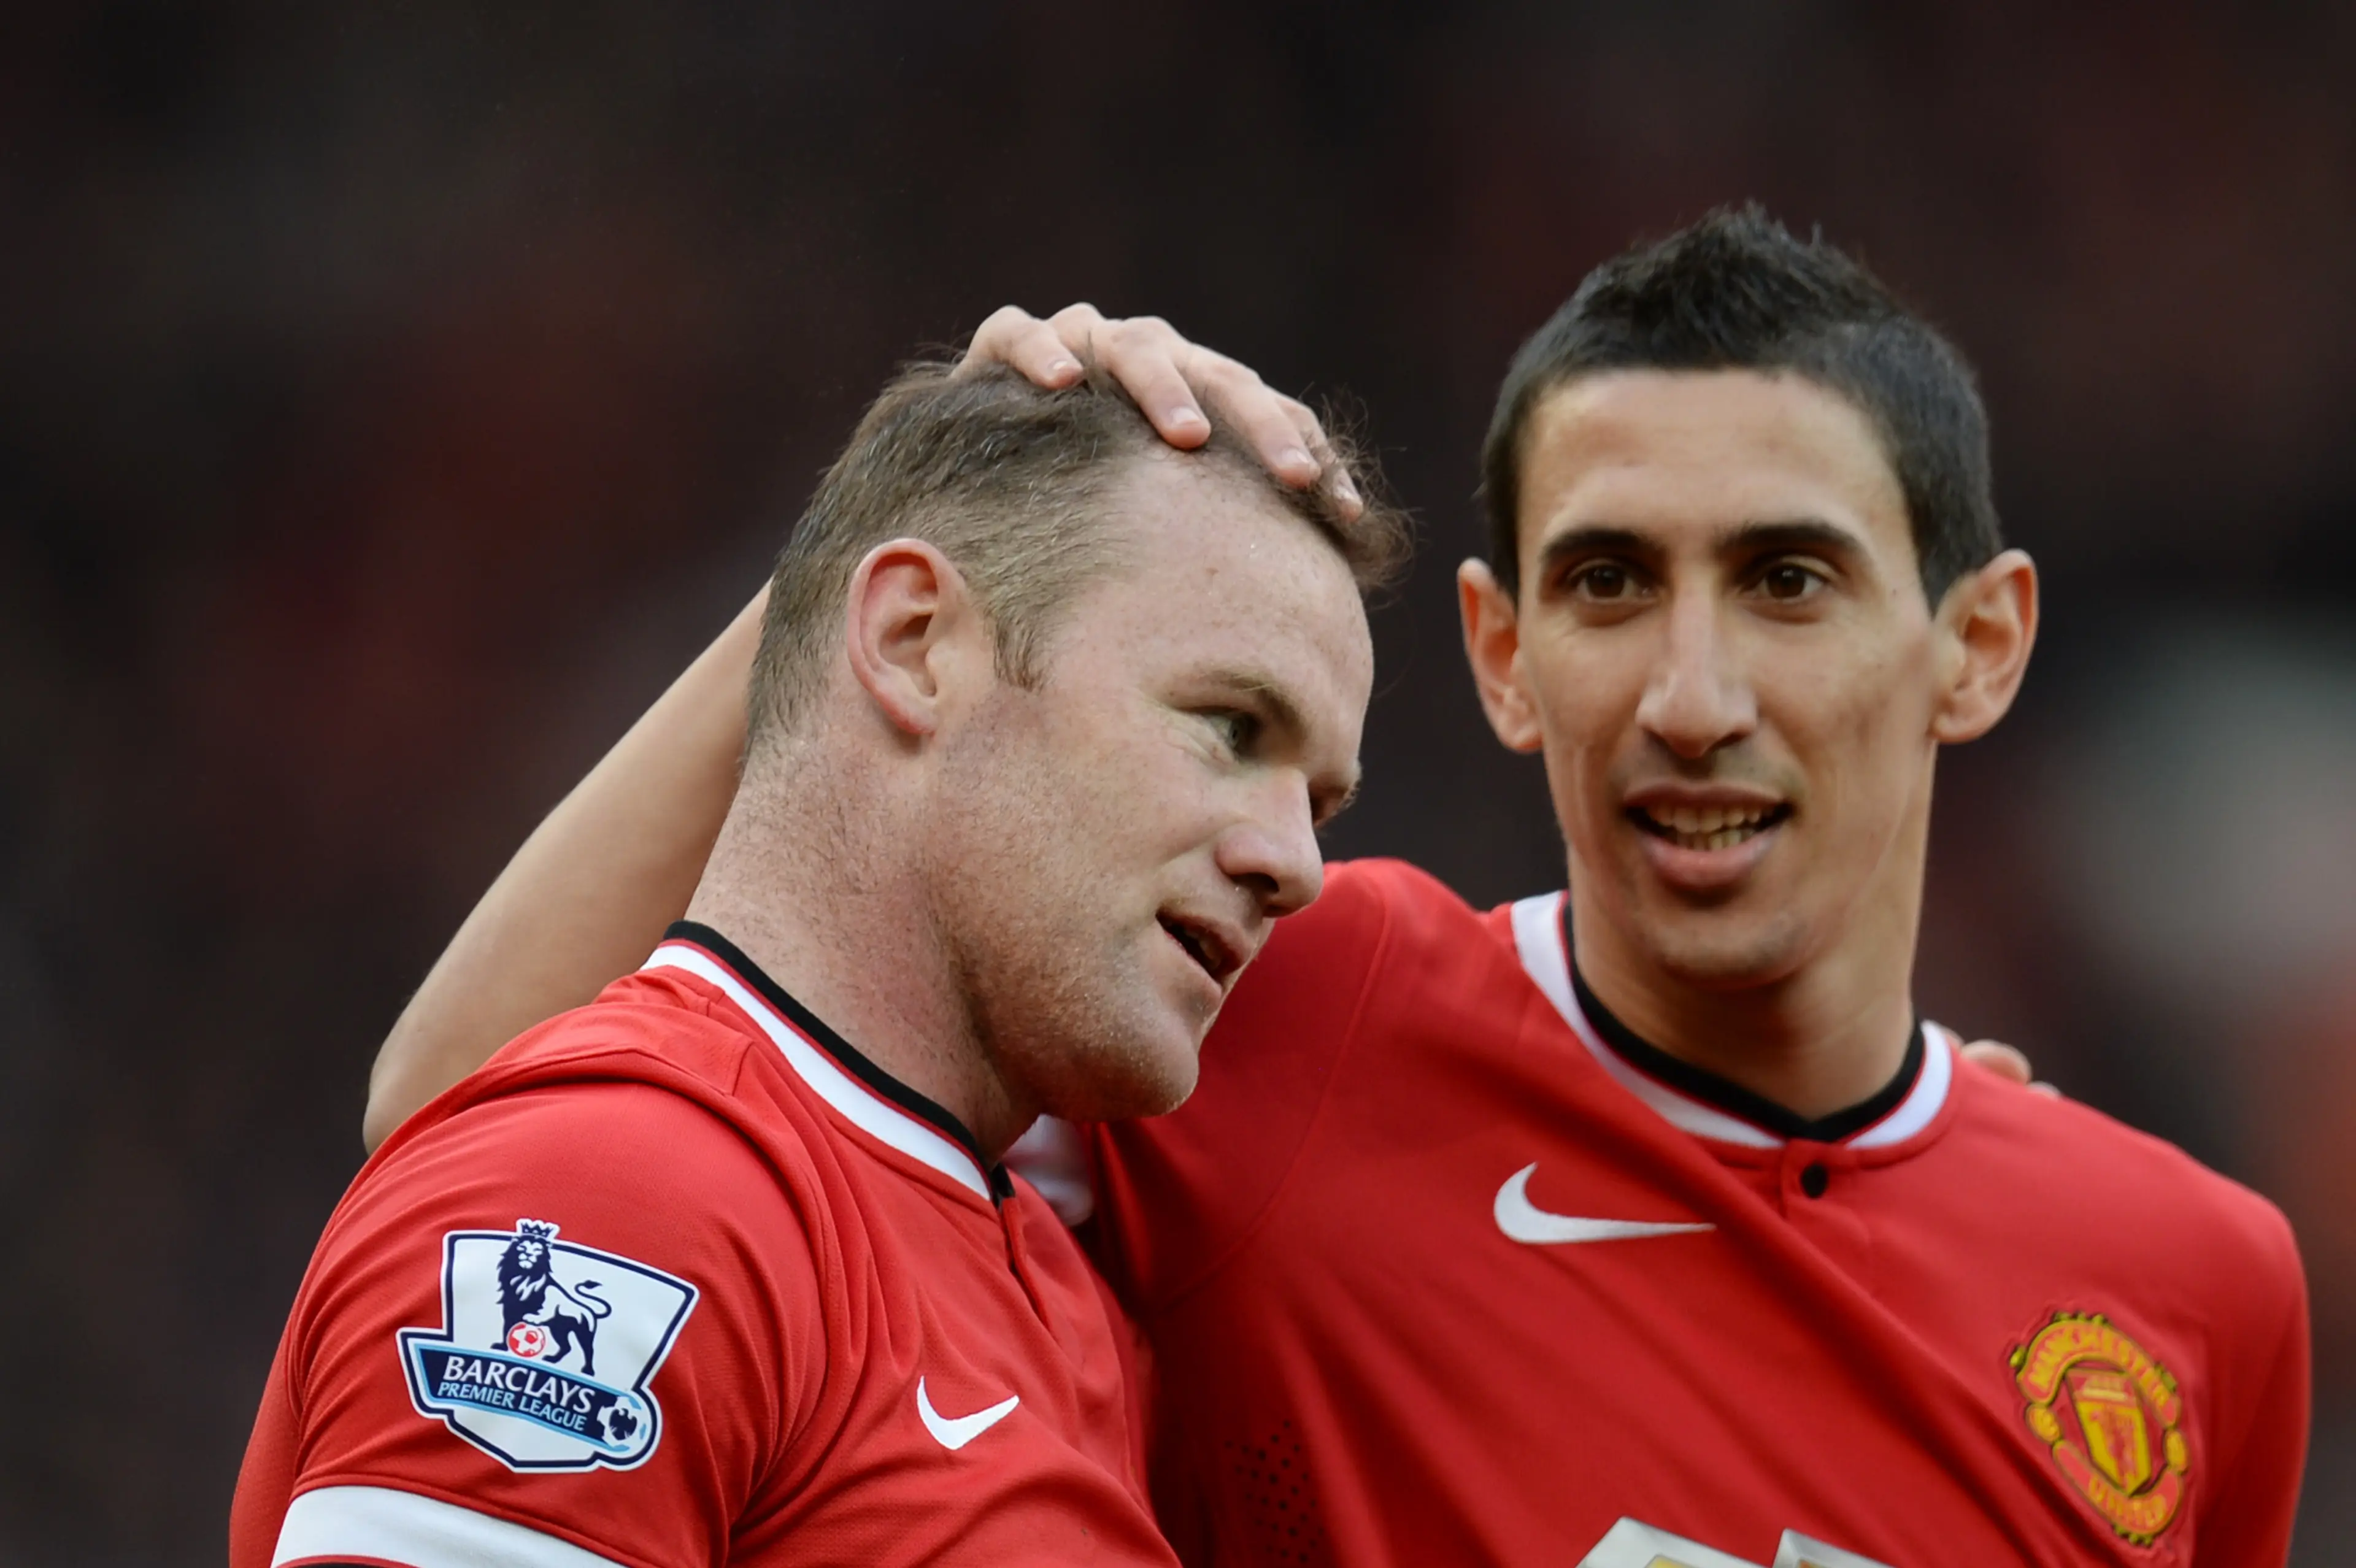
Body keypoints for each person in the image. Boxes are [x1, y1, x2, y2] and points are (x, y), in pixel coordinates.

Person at [358, 212, 2309, 1566]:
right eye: (1609, 582)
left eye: (1787, 581)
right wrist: (882, 539)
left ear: (1977, 646)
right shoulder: (1299, 999)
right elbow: (505, 1114)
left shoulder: (2193, 1288)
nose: (1692, 697)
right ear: (1503, 653)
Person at [231, 359, 1404, 1567]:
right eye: (1230, 727)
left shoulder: (1055, 1285)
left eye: (1321, 803)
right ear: (910, 641)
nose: (1296, 865)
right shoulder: (619, 1194)